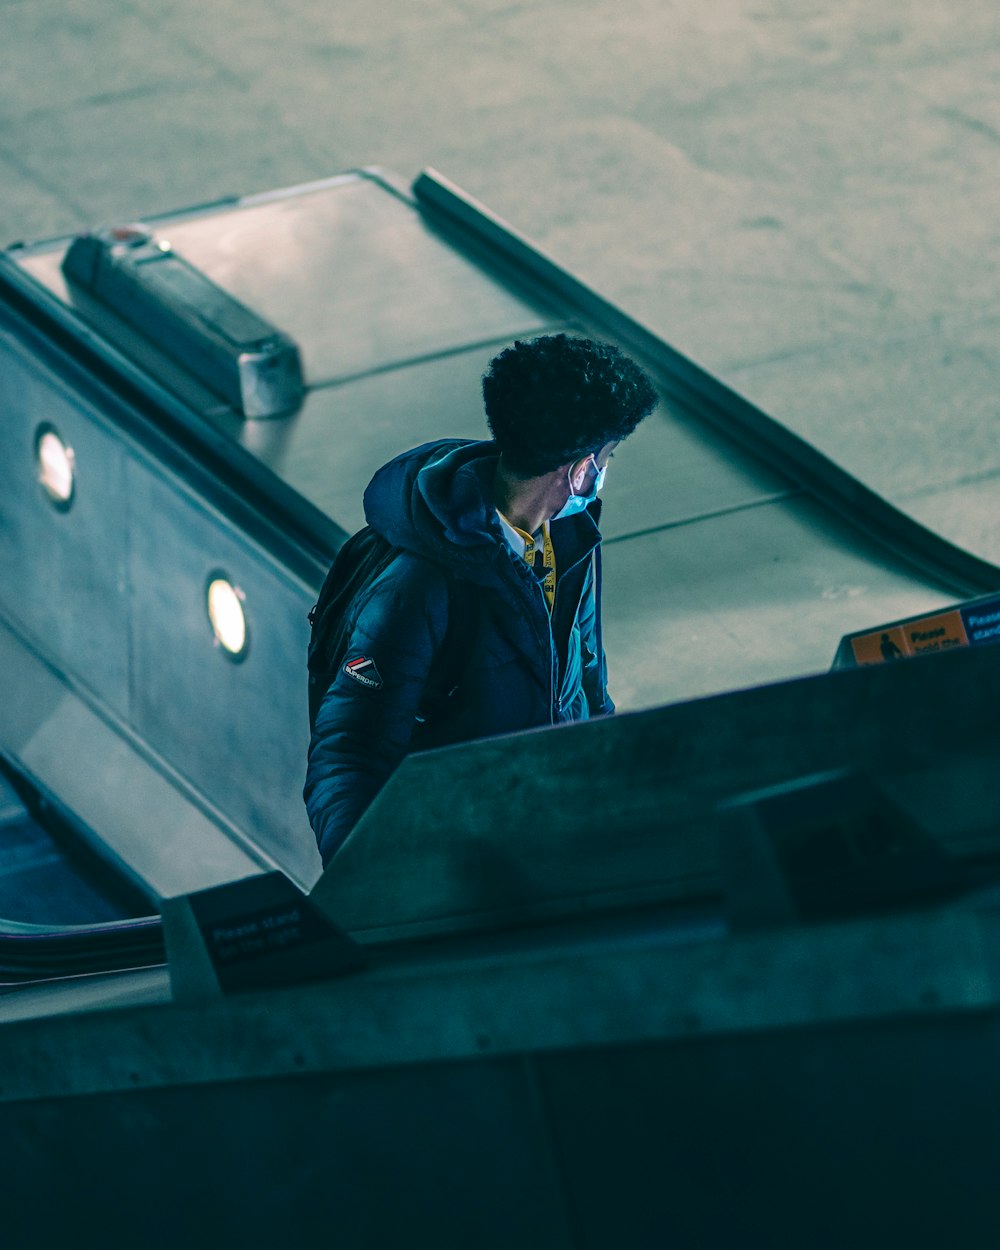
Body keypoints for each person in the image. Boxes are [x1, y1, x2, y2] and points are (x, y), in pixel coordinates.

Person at [304, 333, 658, 865]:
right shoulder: (417, 586)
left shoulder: (572, 539)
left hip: (551, 835)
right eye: (607, 457)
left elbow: (586, 677)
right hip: (465, 859)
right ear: (581, 468)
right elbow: (350, 751)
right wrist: (368, 887)